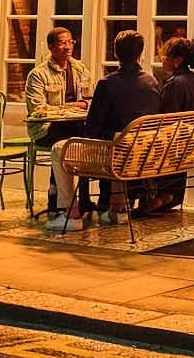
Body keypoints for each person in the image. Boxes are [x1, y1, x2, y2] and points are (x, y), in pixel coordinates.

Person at [48, 30, 165, 229]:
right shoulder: (152, 82)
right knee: (121, 142)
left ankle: (71, 213)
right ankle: (118, 208)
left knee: (60, 148)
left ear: (116, 54)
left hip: (112, 152)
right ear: (140, 54)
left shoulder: (107, 84)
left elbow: (92, 129)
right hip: (141, 150)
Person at [23, 26, 94, 212]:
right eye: (63, 43)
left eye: (70, 42)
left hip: (76, 125)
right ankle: (58, 195)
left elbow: (90, 100)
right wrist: (68, 108)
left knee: (90, 134)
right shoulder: (38, 74)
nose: (68, 47)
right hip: (47, 129)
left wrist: (83, 105)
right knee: (68, 137)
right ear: (51, 47)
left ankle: (83, 194)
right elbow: (38, 109)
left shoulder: (80, 70)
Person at [145, 35, 194, 215]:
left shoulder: (175, 84)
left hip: (175, 145)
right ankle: (169, 195)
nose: (162, 59)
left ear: (177, 61)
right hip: (189, 142)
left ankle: (159, 196)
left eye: (166, 56)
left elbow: (166, 120)